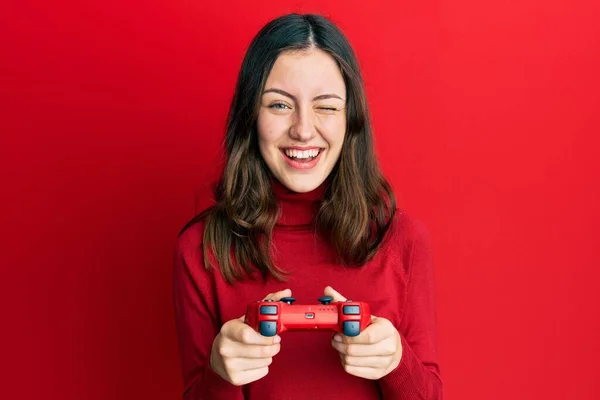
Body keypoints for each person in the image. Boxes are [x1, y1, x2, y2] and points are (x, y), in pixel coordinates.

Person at [173, 13, 443, 399]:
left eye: (326, 107)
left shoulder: (403, 240)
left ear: (351, 120)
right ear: (250, 115)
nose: (303, 129)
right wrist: (221, 374)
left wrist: (397, 363)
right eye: (280, 105)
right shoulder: (201, 248)